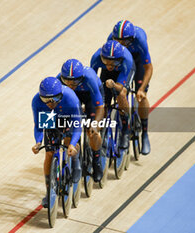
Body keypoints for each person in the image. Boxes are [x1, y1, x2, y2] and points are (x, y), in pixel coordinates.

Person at [31, 77, 82, 208]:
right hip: (51, 118)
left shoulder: (71, 98)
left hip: (68, 117)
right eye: (46, 100)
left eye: (54, 99)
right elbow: (38, 126)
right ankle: (49, 191)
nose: (50, 103)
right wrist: (38, 142)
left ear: (60, 95)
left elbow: (77, 126)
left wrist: (72, 144)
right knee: (49, 153)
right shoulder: (36, 101)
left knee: (70, 143)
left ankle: (76, 163)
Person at [108, 20, 152, 155]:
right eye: (118, 41)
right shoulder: (111, 39)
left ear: (131, 39)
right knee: (121, 93)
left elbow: (148, 67)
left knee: (141, 97)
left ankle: (144, 133)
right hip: (121, 62)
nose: (121, 44)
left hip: (137, 61)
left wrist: (141, 89)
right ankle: (125, 128)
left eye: (124, 42)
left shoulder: (140, 40)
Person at [56, 59, 105, 182]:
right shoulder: (58, 81)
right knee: (68, 129)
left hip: (90, 97)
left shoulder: (89, 79)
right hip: (72, 100)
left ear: (81, 78)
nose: (71, 85)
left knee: (92, 131)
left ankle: (96, 160)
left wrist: (95, 125)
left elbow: (99, 107)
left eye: (75, 81)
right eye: (67, 81)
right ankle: (76, 161)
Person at [90, 40, 136, 150]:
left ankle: (125, 127)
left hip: (123, 72)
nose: (109, 65)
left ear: (119, 59)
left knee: (121, 94)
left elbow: (120, 87)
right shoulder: (96, 57)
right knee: (102, 102)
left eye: (113, 62)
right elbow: (92, 80)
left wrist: (114, 85)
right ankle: (103, 130)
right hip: (107, 74)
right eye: (106, 61)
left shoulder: (127, 59)